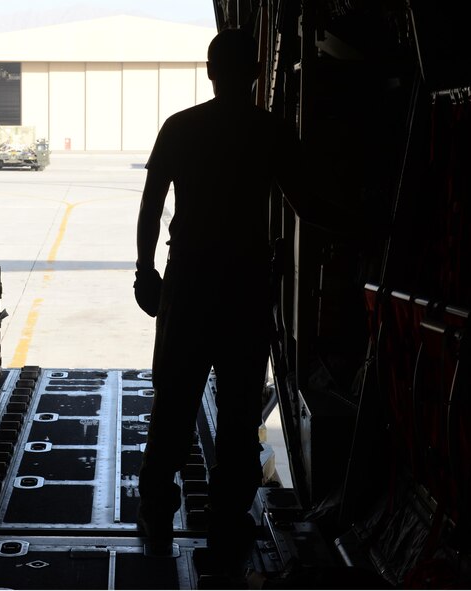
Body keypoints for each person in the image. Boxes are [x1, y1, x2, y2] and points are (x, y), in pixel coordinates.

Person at [133, 27, 324, 566]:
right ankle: (229, 514)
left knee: (174, 397)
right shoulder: (271, 132)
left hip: (190, 281)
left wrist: (146, 269)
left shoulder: (180, 128)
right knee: (240, 405)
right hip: (244, 285)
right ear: (259, 74)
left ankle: (155, 503)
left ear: (212, 70)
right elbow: (309, 204)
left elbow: (152, 206)